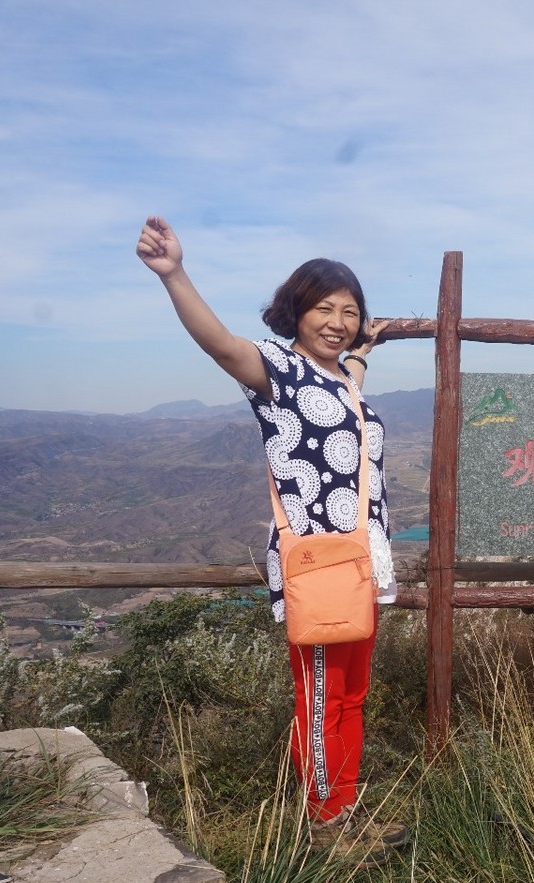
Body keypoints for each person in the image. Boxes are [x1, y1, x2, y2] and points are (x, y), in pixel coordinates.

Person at [136, 215, 399, 849]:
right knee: (319, 696)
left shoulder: (340, 378)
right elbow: (221, 344)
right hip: (316, 564)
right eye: (324, 309)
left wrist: (363, 352)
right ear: (295, 312)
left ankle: (345, 800)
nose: (337, 321)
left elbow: (348, 400)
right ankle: (324, 820)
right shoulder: (277, 371)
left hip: (362, 560)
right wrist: (175, 275)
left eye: (350, 311)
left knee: (352, 694)